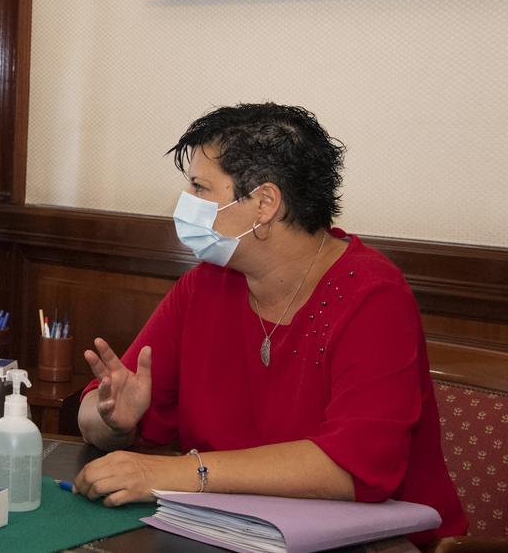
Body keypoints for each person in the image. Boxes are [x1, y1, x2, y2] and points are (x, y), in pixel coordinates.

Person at [75, 103, 466, 545]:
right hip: (230, 532)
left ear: (264, 203)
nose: (186, 203)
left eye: (201, 188)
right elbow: (94, 415)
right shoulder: (205, 285)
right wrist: (116, 424)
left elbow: (352, 468)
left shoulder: (373, 297)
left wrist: (177, 472)